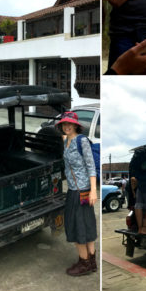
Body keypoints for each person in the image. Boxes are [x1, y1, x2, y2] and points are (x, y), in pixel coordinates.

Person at [57, 111, 98, 276]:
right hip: (74, 189)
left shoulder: (82, 141)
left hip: (81, 191)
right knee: (85, 225)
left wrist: (93, 191)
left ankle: (84, 263)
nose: (67, 126)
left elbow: (91, 166)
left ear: (76, 125)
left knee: (77, 226)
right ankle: (91, 262)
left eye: (70, 124)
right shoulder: (66, 140)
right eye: (64, 124)